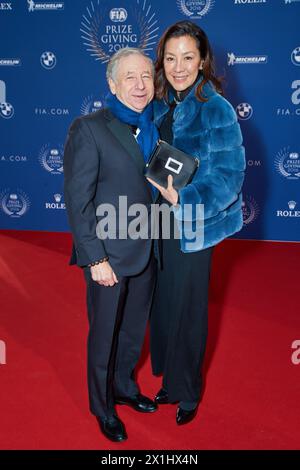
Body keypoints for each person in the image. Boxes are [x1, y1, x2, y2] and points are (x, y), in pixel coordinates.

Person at [147, 21, 246, 425]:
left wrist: (185, 199)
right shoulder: (155, 101)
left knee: (188, 309)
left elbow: (230, 176)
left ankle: (187, 390)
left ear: (203, 60)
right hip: (151, 221)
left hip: (194, 223)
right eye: (171, 58)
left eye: (188, 57)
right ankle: (169, 380)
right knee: (163, 303)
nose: (179, 66)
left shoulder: (216, 108)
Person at [63, 48, 159, 442]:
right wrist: (95, 258)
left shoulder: (155, 127)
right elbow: (77, 200)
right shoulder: (89, 129)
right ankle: (101, 406)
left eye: (147, 77)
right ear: (112, 84)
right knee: (105, 334)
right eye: (130, 77)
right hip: (109, 257)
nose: (140, 85)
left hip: (148, 250)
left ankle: (124, 386)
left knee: (134, 331)